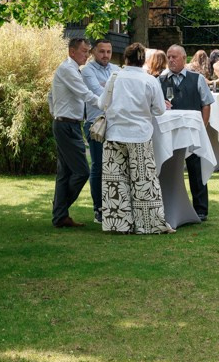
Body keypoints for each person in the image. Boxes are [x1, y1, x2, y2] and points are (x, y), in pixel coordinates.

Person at [98, 43, 173, 234]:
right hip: (139, 135)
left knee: (116, 182)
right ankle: (148, 224)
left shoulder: (114, 77)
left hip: (115, 134)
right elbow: (159, 110)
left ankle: (118, 224)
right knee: (144, 182)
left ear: (125, 59)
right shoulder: (149, 81)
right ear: (143, 61)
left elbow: (101, 103)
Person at [47, 37, 101, 228]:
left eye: (88, 51)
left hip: (67, 124)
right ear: (72, 52)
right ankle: (60, 210)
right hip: (67, 126)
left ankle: (60, 216)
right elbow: (84, 94)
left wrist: (56, 113)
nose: (87, 55)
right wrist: (106, 105)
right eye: (84, 51)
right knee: (82, 171)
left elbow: (50, 95)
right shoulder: (67, 69)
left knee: (65, 173)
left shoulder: (69, 69)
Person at [158, 45, 216, 221]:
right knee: (167, 169)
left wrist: (202, 127)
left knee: (195, 169)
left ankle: (201, 209)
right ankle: (164, 206)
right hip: (168, 133)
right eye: (169, 57)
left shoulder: (196, 79)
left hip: (191, 132)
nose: (171, 60)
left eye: (175, 57)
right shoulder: (159, 80)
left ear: (184, 58)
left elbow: (206, 103)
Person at [81, 39, 120, 224]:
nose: (106, 55)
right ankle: (99, 208)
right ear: (93, 53)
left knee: (114, 166)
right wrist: (110, 89)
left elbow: (122, 93)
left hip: (115, 123)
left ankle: (114, 204)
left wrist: (108, 87)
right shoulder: (87, 70)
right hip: (95, 123)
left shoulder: (116, 69)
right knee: (98, 166)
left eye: (109, 51)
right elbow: (98, 94)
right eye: (102, 51)